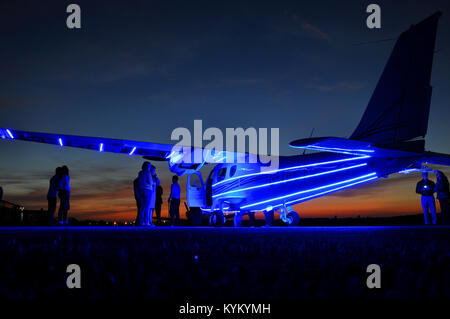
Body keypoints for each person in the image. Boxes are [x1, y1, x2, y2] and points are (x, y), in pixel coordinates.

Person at [137, 162, 153, 226]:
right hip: (148, 190)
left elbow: (139, 182)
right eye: (149, 166)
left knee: (142, 207)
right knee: (147, 207)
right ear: (147, 166)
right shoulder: (148, 172)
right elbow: (150, 182)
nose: (149, 167)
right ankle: (147, 222)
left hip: (141, 190)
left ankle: (141, 222)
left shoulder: (140, 173)